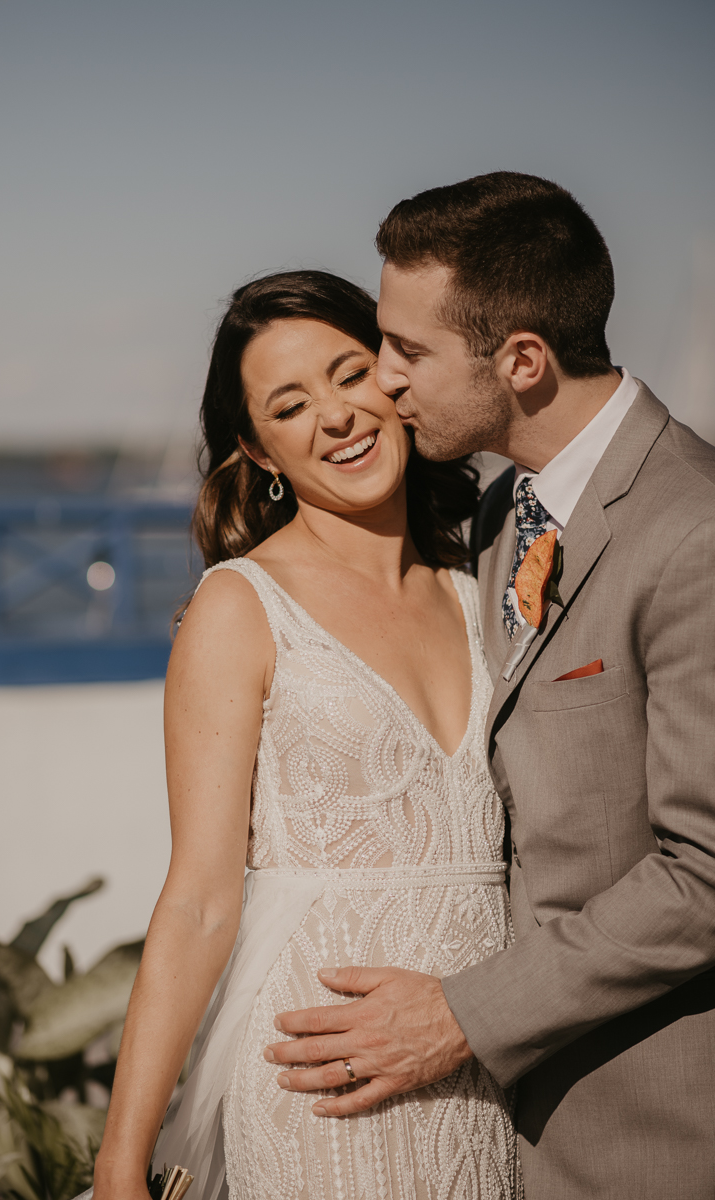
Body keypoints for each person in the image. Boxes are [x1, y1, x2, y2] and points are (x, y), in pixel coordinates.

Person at [266, 174, 715, 1199]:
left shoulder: (690, 533)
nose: (382, 381)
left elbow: (702, 871)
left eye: (407, 352)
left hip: (649, 1139)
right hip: (483, 1137)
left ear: (519, 361)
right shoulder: (498, 514)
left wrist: (462, 1013)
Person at [88, 269, 521, 1200]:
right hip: (323, 1080)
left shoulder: (480, 585)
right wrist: (121, 1167)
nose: (337, 416)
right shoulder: (242, 606)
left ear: (397, 381)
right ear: (260, 450)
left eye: (350, 373)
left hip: (490, 1068)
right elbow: (200, 900)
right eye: (291, 405)